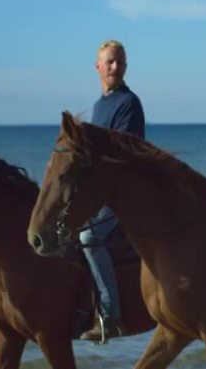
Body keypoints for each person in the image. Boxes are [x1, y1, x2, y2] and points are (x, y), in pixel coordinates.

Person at [78, 40, 145, 341]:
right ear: (97, 67)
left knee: (89, 236)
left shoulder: (128, 103)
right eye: (110, 62)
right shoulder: (99, 106)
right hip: (101, 192)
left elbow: (120, 159)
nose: (115, 67)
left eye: (120, 62)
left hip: (124, 194)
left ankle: (110, 315)